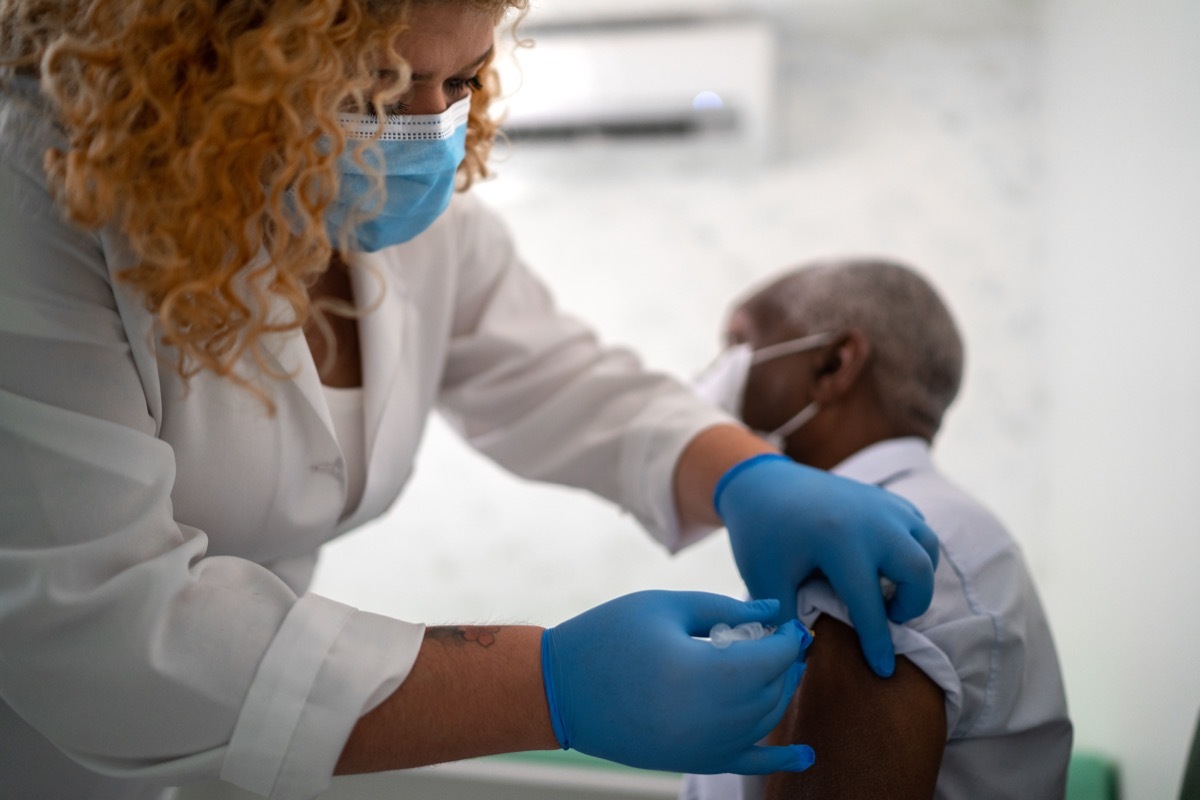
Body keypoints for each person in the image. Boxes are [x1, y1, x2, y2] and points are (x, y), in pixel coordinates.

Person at [0, 4, 941, 799]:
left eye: (461, 84)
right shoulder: (36, 204)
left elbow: (561, 377)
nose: (425, 127)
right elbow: (100, 627)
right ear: (213, 63)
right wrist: (549, 685)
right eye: (372, 90)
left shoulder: (395, 217)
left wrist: (742, 472)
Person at [682, 258, 1073, 800]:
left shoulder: (880, 545)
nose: (710, 375)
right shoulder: (865, 529)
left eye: (736, 344)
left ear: (833, 365)